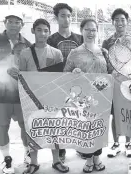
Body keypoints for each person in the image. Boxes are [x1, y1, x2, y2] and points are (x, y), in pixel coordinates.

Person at [17, 19, 67, 174]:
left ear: (49, 33)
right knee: (32, 128)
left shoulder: (56, 53)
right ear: (33, 31)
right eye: (39, 30)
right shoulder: (25, 53)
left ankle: (56, 160)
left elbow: (60, 77)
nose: (43, 34)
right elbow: (22, 78)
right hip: (31, 98)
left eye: (46, 30)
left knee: (54, 128)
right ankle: (33, 162)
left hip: (51, 96)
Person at [0, 11, 31, 174]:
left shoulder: (27, 44)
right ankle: (7, 160)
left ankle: (28, 156)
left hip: (21, 95)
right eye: (10, 21)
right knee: (2, 127)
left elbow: (29, 70)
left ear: (22, 25)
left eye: (17, 22)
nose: (13, 24)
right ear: (5, 23)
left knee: (25, 127)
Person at [64, 18, 107, 173]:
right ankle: (89, 159)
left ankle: (97, 157)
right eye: (87, 29)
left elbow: (108, 74)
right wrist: (73, 73)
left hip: (102, 97)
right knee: (86, 129)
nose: (90, 33)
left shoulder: (103, 51)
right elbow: (65, 74)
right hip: (83, 100)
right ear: (81, 31)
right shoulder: (75, 53)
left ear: (97, 31)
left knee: (99, 128)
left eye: (93, 29)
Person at [47, 3, 84, 162]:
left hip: (77, 84)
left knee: (78, 117)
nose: (67, 19)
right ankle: (61, 151)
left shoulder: (80, 38)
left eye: (69, 16)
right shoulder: (50, 39)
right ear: (57, 17)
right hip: (58, 84)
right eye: (63, 15)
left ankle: (81, 148)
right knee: (59, 119)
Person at [102, 8, 131, 159]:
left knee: (127, 113)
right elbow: (105, 62)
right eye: (117, 20)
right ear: (113, 22)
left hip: (129, 82)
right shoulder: (107, 41)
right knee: (115, 114)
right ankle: (115, 143)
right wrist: (111, 73)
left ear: (127, 22)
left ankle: (128, 144)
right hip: (113, 82)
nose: (119, 22)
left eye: (122, 19)